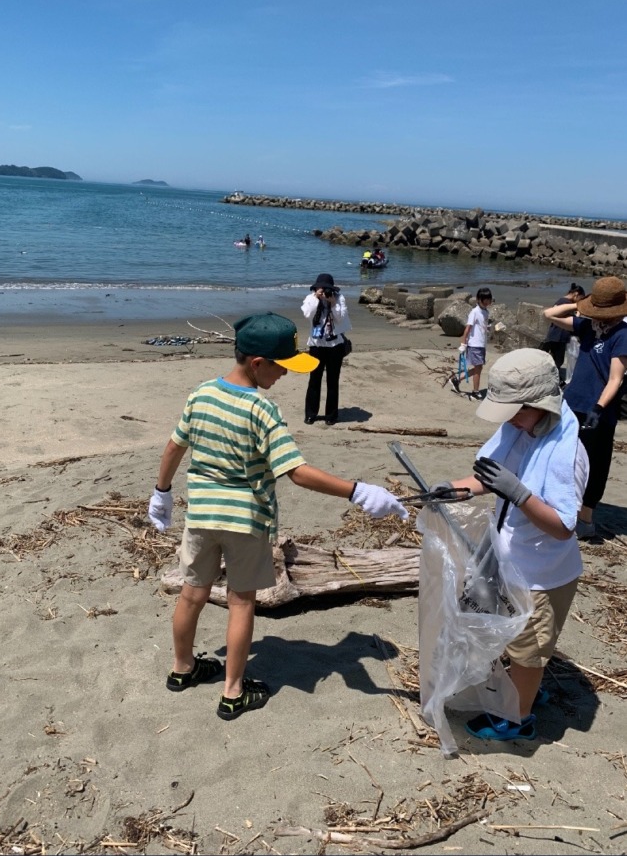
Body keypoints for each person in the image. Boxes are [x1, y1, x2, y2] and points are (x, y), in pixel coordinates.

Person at [148, 312, 408, 721]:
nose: (286, 374)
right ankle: (233, 692)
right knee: (241, 601)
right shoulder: (262, 410)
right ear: (257, 363)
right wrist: (358, 491)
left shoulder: (200, 394)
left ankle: (182, 670)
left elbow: (173, 447)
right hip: (246, 520)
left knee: (192, 592)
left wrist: (161, 493)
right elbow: (297, 472)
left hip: (201, 515)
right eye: (282, 366)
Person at [432, 348, 589, 741]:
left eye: (518, 411)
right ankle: (525, 690)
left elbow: (561, 527)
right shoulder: (522, 428)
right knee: (507, 632)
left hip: (542, 573)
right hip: (506, 557)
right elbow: (488, 477)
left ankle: (518, 717)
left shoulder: (566, 454)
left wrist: (518, 494)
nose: (511, 420)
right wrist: (453, 489)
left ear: (543, 405)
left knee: (529, 648)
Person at [543, 276, 627, 539]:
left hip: (598, 409)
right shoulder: (589, 326)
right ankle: (565, 507)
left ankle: (586, 519)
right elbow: (549, 314)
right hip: (572, 402)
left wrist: (599, 407)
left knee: (596, 462)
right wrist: (574, 303)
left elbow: (616, 378)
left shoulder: (622, 334)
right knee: (566, 456)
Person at [301, 273, 352, 425]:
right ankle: (311, 414)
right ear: (316, 288)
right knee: (314, 380)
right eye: (321, 289)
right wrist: (317, 299)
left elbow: (340, 318)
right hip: (316, 345)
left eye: (326, 289)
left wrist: (333, 303)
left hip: (335, 345)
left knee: (333, 381)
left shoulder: (339, 298)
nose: (324, 292)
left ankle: (331, 416)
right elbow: (307, 314)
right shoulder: (310, 298)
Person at [448, 287, 493, 400]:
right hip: (474, 344)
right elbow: (468, 329)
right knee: (478, 369)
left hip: (482, 344)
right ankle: (475, 392)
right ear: (478, 299)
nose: (487, 301)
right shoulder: (475, 312)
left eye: (489, 299)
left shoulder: (486, 312)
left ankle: (457, 379)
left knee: (479, 368)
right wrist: (463, 344)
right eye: (485, 299)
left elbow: (483, 327)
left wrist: (490, 328)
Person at [539, 283, 586, 378]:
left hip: (553, 334)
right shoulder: (567, 303)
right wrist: (578, 314)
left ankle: (548, 375)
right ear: (576, 294)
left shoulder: (560, 301)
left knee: (550, 358)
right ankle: (552, 378)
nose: (580, 302)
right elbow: (573, 321)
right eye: (580, 299)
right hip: (560, 336)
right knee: (558, 361)